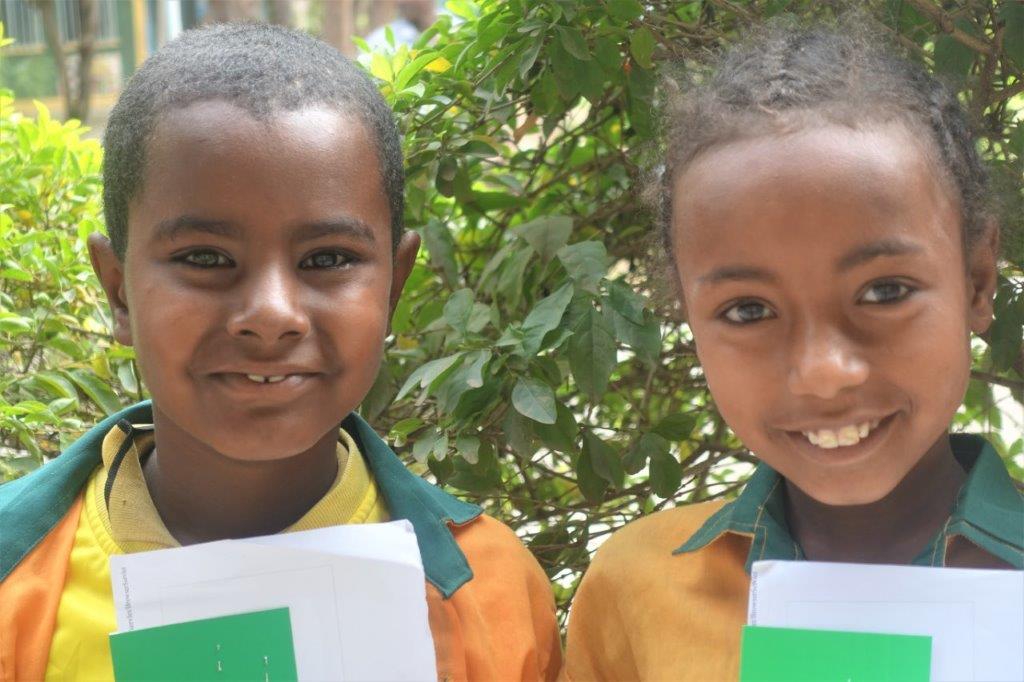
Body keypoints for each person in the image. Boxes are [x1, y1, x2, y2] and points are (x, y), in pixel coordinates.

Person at [0, 23, 560, 682]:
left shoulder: (490, 594)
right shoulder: (17, 582)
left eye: (327, 259)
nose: (271, 316)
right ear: (119, 291)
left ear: (393, 287)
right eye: (205, 258)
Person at [562, 20, 1023, 681]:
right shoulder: (635, 590)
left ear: (976, 282)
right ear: (689, 319)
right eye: (748, 311)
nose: (824, 374)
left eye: (885, 291)